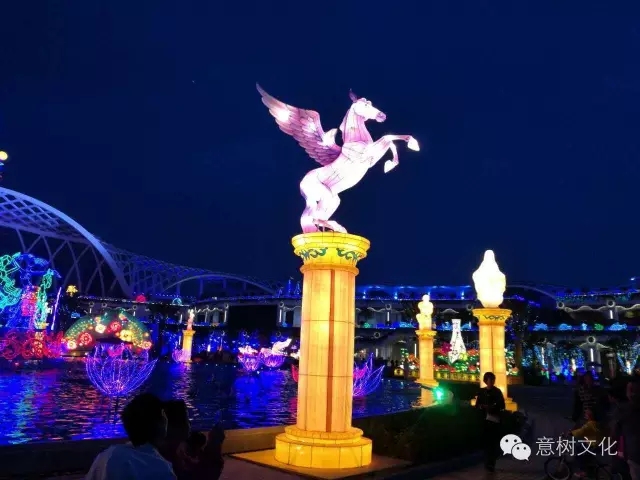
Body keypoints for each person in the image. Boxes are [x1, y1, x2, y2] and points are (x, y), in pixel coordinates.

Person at [86, 393, 177, 480]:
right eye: (163, 414)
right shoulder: (162, 469)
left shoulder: (105, 457)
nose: (166, 419)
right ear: (159, 423)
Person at [475, 371, 506, 472]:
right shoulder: (481, 392)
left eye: (493, 380)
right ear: (485, 381)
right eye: (490, 380)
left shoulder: (497, 392)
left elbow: (502, 405)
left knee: (493, 443)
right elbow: (477, 405)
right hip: (484, 421)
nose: (492, 381)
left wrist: (493, 407)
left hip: (494, 421)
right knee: (486, 443)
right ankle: (487, 462)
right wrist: (483, 407)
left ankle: (491, 463)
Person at [613, 377, 640, 480]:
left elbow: (615, 434)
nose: (633, 394)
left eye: (635, 390)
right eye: (630, 390)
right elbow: (616, 433)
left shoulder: (622, 410)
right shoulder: (623, 410)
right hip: (633, 456)